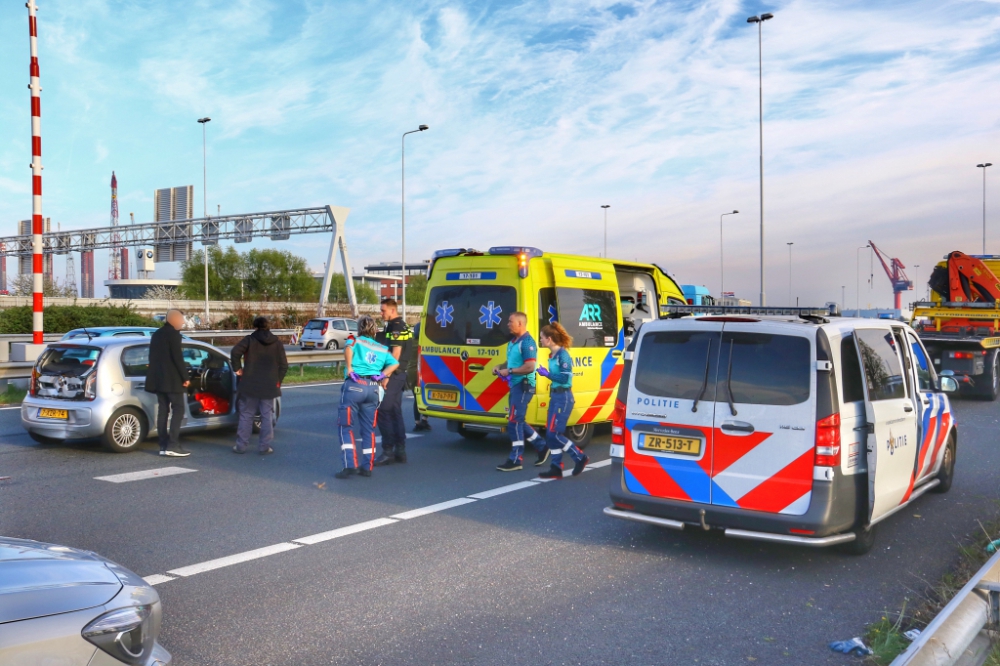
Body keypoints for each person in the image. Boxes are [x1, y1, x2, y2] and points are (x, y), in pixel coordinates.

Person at [336, 315, 399, 479]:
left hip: (355, 386)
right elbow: (395, 363)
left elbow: (348, 348)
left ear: (359, 328)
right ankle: (367, 467)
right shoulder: (381, 347)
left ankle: (350, 465)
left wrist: (350, 368)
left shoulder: (354, 340)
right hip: (373, 389)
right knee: (368, 429)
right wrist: (382, 375)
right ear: (374, 330)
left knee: (345, 426)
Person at [495, 312, 548, 471]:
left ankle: (516, 459)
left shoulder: (527, 343)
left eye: (510, 321)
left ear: (520, 323)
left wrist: (509, 371)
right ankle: (542, 445)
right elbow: (511, 361)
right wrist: (501, 367)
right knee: (517, 419)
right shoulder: (513, 342)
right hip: (515, 386)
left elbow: (530, 366)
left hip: (524, 386)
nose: (508, 324)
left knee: (514, 421)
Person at [535, 322, 589, 479]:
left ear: (549, 339)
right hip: (556, 396)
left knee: (555, 433)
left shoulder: (563, 355)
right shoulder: (553, 355)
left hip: (563, 397)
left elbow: (565, 377)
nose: (540, 341)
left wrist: (547, 374)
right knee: (551, 433)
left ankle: (580, 457)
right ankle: (556, 468)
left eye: (542, 338)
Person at [230, 316, 288, 456]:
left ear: (255, 326)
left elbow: (235, 352)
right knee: (266, 415)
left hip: (250, 382)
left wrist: (238, 369)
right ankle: (264, 447)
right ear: (269, 326)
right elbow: (284, 365)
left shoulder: (250, 340)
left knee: (246, 414)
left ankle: (241, 446)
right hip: (269, 384)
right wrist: (277, 380)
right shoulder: (277, 343)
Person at [145, 309, 191, 457]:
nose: (183, 322)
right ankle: (173, 444)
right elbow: (177, 357)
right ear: (173, 320)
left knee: (163, 411)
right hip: (172, 380)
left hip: (158, 379)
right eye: (181, 319)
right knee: (179, 409)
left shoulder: (157, 334)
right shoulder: (174, 335)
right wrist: (185, 377)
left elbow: (153, 357)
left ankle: (163, 445)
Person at [374, 299, 413, 465]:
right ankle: (400, 450)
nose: (381, 313)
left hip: (395, 373)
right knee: (395, 412)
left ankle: (388, 451)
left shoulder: (396, 327)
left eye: (383, 311)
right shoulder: (401, 325)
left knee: (384, 411)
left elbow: (395, 354)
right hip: (400, 373)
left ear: (392, 310)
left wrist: (386, 375)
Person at [407, 322, 431, 431]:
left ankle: (417, 422)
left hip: (411, 373)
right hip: (423, 373)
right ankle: (424, 420)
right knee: (425, 397)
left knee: (416, 398)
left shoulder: (410, 342)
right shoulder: (425, 344)